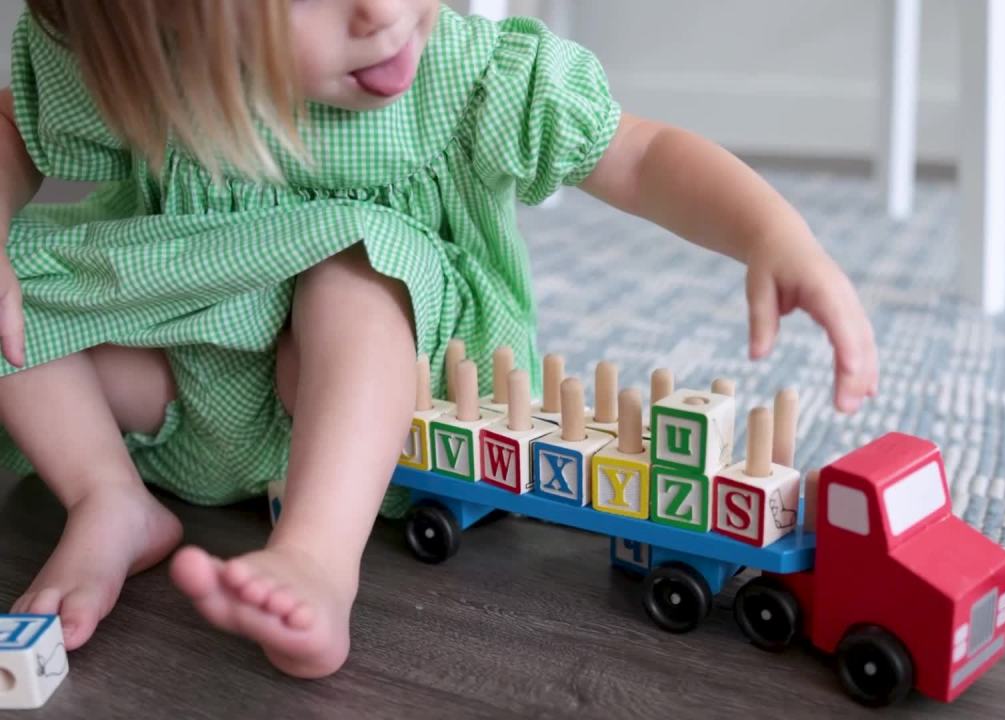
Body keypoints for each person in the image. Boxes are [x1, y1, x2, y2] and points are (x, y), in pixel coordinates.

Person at [0, 0, 878, 678]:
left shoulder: (462, 76)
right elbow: (14, 127)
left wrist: (773, 235)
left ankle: (315, 554)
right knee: (13, 299)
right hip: (191, 399)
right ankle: (107, 495)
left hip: (391, 392)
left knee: (352, 265)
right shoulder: (148, 79)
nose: (380, 12)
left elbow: (640, 156)